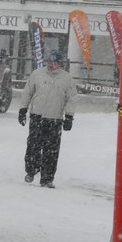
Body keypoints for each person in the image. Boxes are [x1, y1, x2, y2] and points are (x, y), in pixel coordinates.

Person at [17, 50, 78, 188]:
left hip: (54, 119)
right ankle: (31, 171)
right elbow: (28, 92)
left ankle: (47, 178)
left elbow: (71, 98)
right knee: (33, 146)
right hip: (37, 116)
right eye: (49, 62)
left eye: (54, 62)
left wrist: (69, 116)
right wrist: (23, 109)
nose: (51, 65)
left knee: (51, 150)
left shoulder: (66, 79)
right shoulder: (37, 74)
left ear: (60, 64)